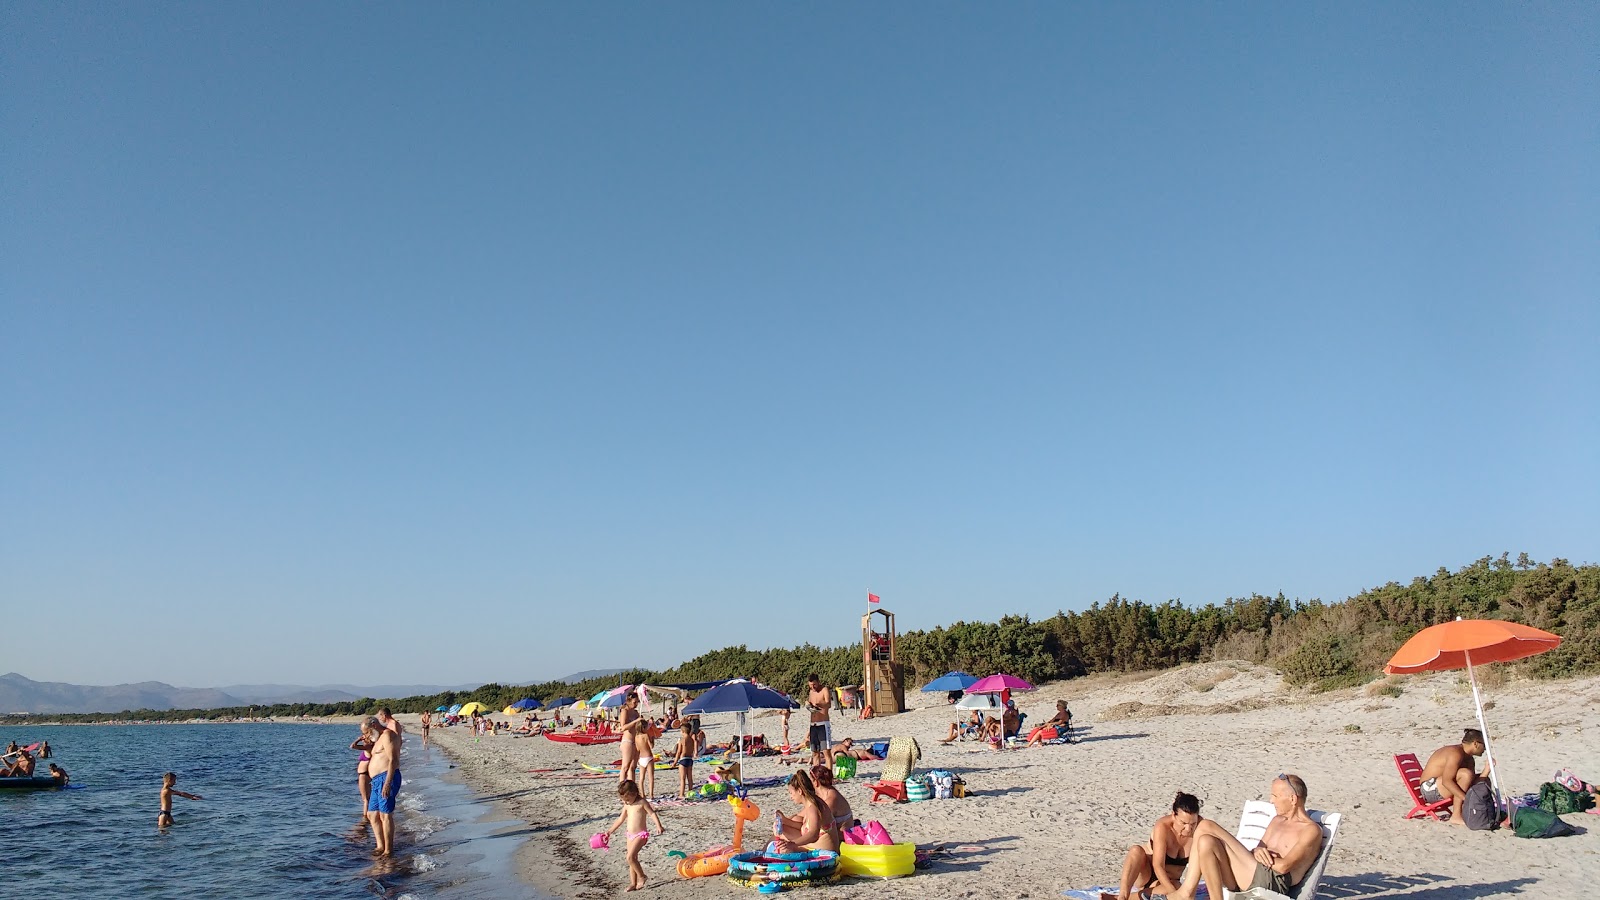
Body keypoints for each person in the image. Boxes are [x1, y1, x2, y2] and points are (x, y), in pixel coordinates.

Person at [1169, 775, 1322, 900]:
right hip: (1251, 872)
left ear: (1293, 799)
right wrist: (1257, 851)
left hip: (1272, 881)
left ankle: (1187, 892)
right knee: (1206, 841)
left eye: (1275, 796)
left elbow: (1283, 867)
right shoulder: (1277, 820)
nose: (1271, 800)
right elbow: (1257, 850)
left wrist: (1262, 855)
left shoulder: (1310, 830)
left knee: (1205, 825)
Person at [1110, 792, 1203, 900]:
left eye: (1192, 824)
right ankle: (1123, 895)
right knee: (1136, 850)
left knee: (1176, 887)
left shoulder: (1201, 827)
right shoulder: (1163, 826)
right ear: (1174, 815)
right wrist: (1175, 893)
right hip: (1147, 874)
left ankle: (1118, 898)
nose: (1188, 829)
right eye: (1183, 823)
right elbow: (1158, 865)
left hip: (1167, 883)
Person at [1418, 729, 1490, 826]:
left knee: (1483, 780)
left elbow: (1471, 783)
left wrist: (1486, 770)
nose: (1485, 749)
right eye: (1484, 745)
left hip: (1442, 786)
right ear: (1476, 744)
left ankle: (1484, 811)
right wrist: (1467, 799)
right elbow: (1447, 781)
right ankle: (1456, 816)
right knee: (1465, 774)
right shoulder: (1455, 753)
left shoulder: (1469, 759)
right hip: (1429, 789)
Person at [604, 779, 665, 892]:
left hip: (641, 835)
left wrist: (658, 826)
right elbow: (620, 819)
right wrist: (609, 831)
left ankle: (642, 876)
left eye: (628, 799)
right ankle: (633, 883)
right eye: (624, 800)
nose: (626, 801)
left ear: (635, 794)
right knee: (633, 859)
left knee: (630, 857)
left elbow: (652, 813)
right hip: (630, 835)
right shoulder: (627, 805)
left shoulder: (642, 803)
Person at [773, 770, 839, 853]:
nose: (791, 797)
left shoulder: (813, 808)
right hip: (814, 847)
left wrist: (792, 844)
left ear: (800, 791)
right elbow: (807, 827)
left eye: (791, 793)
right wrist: (785, 820)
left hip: (823, 853)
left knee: (783, 850)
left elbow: (814, 835)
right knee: (782, 829)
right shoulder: (811, 803)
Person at [365, 715, 402, 857]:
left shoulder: (388, 735)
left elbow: (393, 759)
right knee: (372, 815)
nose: (366, 735)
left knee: (385, 814)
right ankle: (380, 846)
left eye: (367, 731)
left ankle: (388, 849)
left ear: (373, 725)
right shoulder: (378, 738)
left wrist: (387, 782)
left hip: (385, 777)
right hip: (375, 781)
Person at [810, 764, 856, 832]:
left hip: (841, 837)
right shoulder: (822, 794)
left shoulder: (831, 799)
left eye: (810, 780)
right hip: (832, 833)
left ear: (816, 782)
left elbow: (816, 823)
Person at [617, 693, 644, 785]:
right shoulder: (625, 711)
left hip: (636, 741)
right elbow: (623, 727)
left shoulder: (636, 712)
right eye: (634, 702)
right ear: (629, 701)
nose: (636, 704)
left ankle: (631, 789)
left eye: (637, 702)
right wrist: (636, 721)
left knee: (633, 767)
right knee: (625, 767)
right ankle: (622, 789)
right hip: (627, 741)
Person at [806, 674, 832, 766]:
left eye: (814, 685)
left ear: (818, 682)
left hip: (823, 724)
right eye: (810, 685)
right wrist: (808, 705)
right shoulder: (811, 692)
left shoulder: (824, 690)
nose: (813, 687)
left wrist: (819, 704)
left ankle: (829, 775)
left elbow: (828, 704)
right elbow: (810, 703)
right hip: (813, 725)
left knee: (826, 752)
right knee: (815, 752)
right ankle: (817, 775)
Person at [350, 727, 376, 814]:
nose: (363, 737)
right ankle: (370, 814)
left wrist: (358, 739)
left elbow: (353, 746)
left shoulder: (368, 747)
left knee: (365, 799)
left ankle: (365, 818)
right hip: (367, 773)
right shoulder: (373, 746)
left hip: (364, 774)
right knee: (368, 797)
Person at [670, 722, 697, 799]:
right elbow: (692, 750)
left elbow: (679, 752)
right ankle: (690, 792)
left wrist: (675, 762)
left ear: (683, 731)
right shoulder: (691, 740)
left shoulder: (682, 739)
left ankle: (681, 794)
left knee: (682, 779)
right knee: (690, 778)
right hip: (690, 759)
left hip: (683, 759)